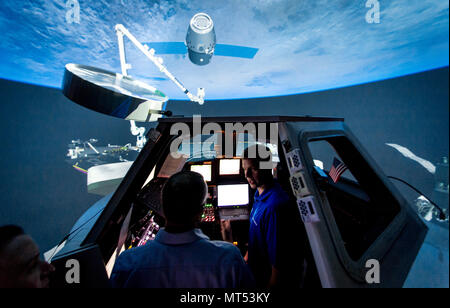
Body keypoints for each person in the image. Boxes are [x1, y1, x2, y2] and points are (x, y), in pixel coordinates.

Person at [110, 171, 254, 288]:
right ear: (201, 212)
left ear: (163, 208)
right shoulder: (229, 258)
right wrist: (228, 240)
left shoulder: (127, 262)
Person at [242, 145, 305, 288]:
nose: (247, 175)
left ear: (267, 167)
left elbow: (279, 268)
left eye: (253, 169)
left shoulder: (275, 207)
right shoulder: (259, 194)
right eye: (244, 169)